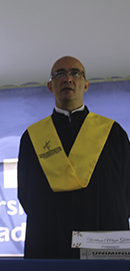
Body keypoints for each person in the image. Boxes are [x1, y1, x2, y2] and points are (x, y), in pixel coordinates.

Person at [18, 56, 130, 259]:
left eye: (75, 73)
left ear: (85, 85)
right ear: (50, 86)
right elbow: (25, 194)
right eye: (59, 74)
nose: (68, 78)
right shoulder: (32, 137)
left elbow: (127, 189)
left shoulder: (113, 133)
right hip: (49, 241)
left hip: (104, 241)